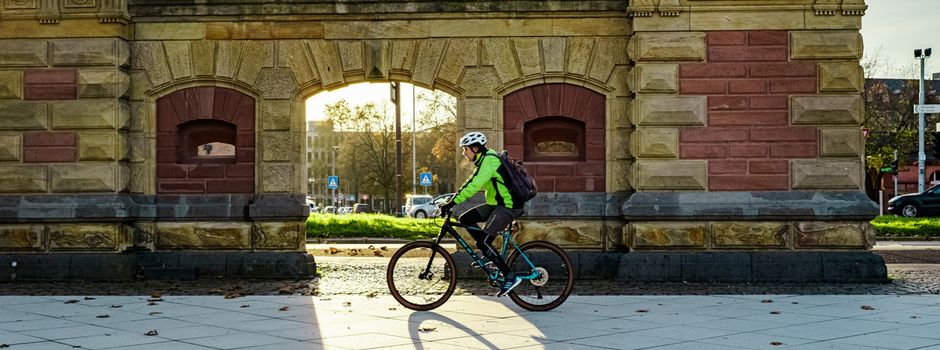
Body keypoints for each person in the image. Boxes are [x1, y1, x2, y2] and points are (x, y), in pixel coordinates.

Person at [439, 131, 525, 297]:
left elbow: (473, 185)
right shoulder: (484, 161)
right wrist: (452, 198)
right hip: (497, 204)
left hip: (508, 206)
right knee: (466, 218)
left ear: (475, 148)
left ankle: (509, 277)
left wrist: (452, 202)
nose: (464, 153)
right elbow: (470, 182)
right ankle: (487, 254)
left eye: (466, 149)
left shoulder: (489, 161)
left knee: (484, 242)